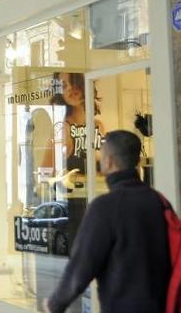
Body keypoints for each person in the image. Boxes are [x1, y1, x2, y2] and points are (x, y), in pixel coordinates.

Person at [43, 130, 170, 313]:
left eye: (101, 155)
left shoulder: (105, 207)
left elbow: (81, 266)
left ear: (109, 161)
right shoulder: (159, 201)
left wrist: (55, 303)